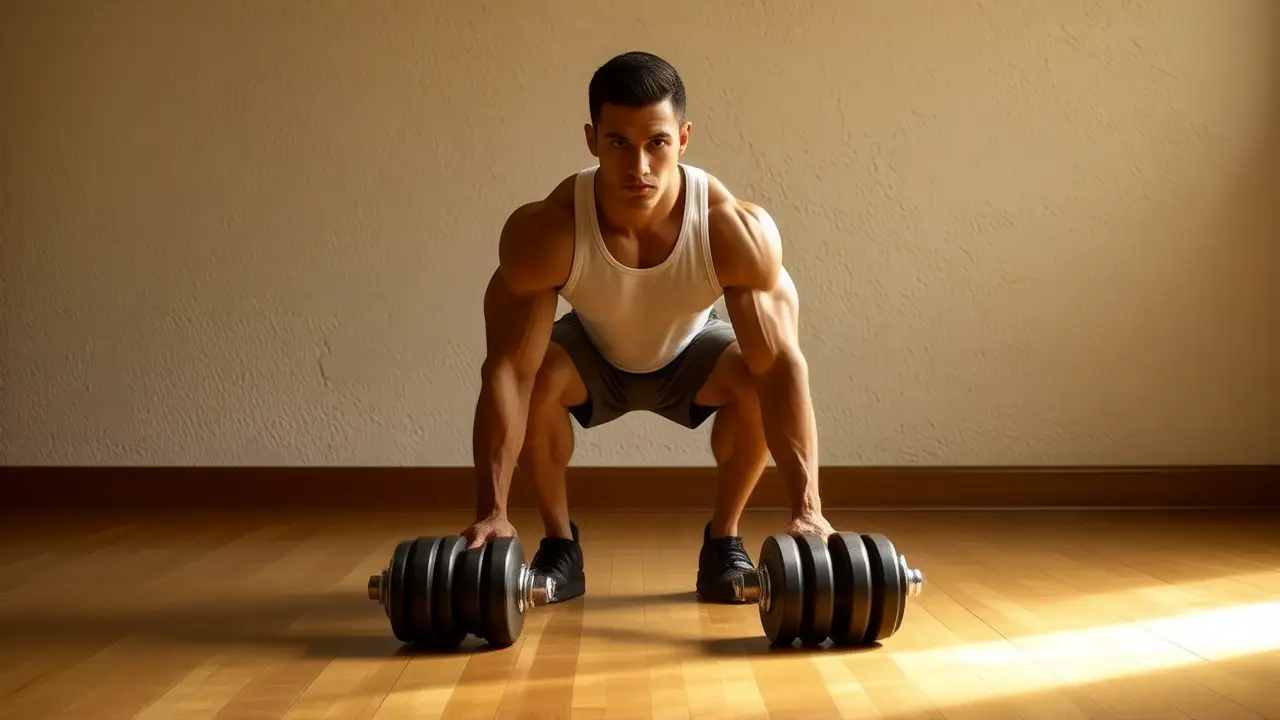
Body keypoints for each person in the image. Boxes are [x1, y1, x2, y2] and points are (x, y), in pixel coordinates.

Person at [460, 51, 835, 605]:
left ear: (683, 137)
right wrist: (491, 512)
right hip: (591, 355)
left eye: (656, 143)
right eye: (619, 143)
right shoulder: (549, 234)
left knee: (756, 376)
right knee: (537, 377)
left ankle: (723, 543)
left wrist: (810, 512)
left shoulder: (731, 233)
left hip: (692, 352)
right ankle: (560, 547)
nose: (638, 166)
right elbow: (508, 372)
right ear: (592, 139)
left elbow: (781, 366)